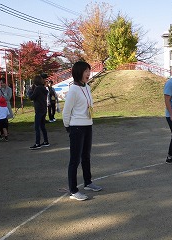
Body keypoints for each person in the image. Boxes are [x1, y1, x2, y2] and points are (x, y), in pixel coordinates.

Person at [63, 61, 102, 201]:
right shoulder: (73, 90)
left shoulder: (87, 87)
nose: (88, 73)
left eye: (89, 70)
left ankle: (88, 182)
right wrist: (68, 127)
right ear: (78, 72)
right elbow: (66, 111)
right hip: (76, 127)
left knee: (86, 156)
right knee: (75, 159)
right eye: (86, 71)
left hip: (87, 125)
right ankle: (73, 190)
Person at [28, 75, 50, 150]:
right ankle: (46, 141)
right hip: (43, 109)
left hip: (39, 109)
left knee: (37, 127)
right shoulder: (43, 88)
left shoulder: (37, 89)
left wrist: (30, 90)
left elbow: (31, 97)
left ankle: (37, 143)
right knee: (42, 126)